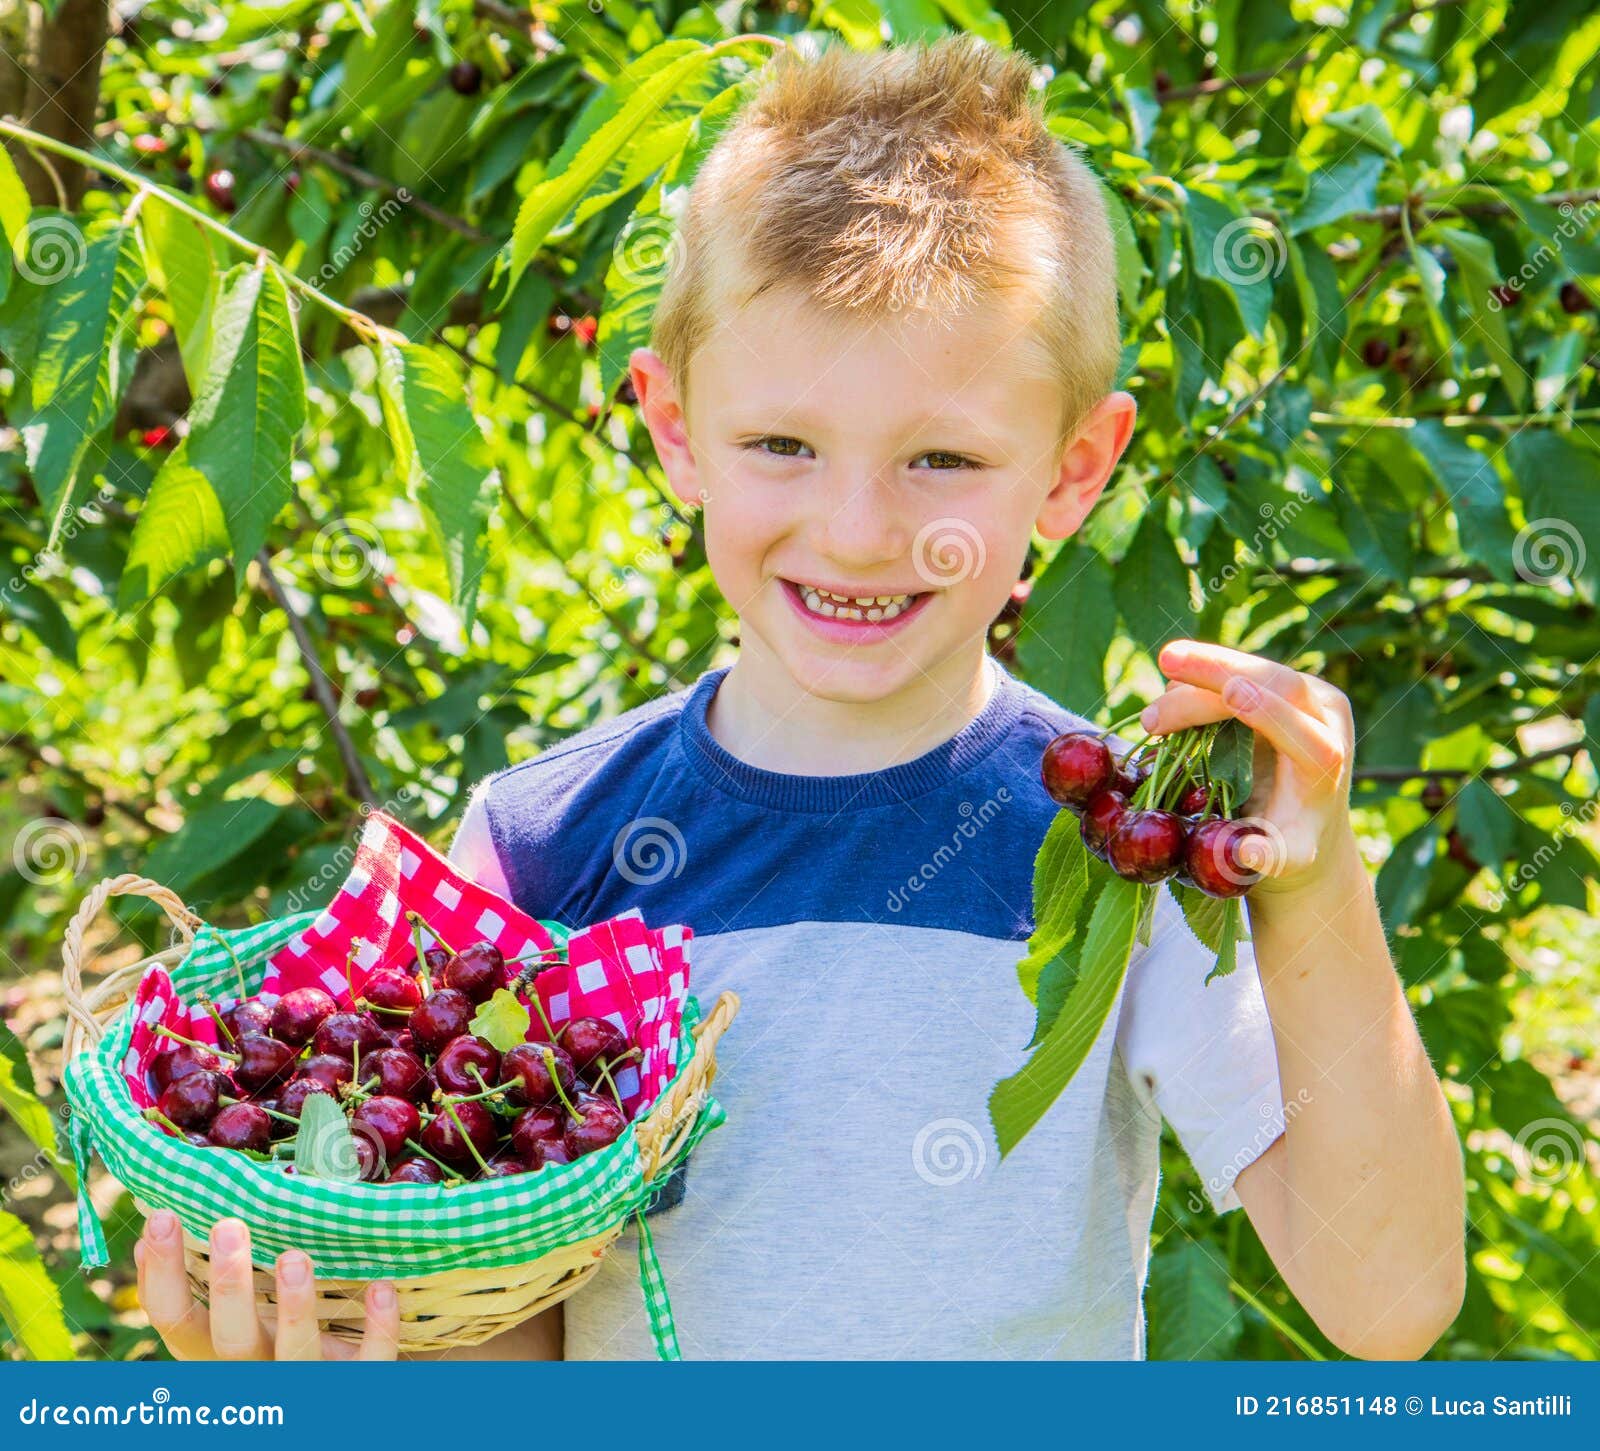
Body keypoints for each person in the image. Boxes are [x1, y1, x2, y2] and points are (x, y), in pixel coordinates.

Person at [136, 34, 1464, 1362]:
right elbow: (509, 1351)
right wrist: (326, 1366)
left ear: (1074, 469)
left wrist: (1317, 885)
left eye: (942, 458)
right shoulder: (540, 851)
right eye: (783, 445)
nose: (855, 532)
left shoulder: (1117, 852)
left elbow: (1388, 1300)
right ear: (673, 428)